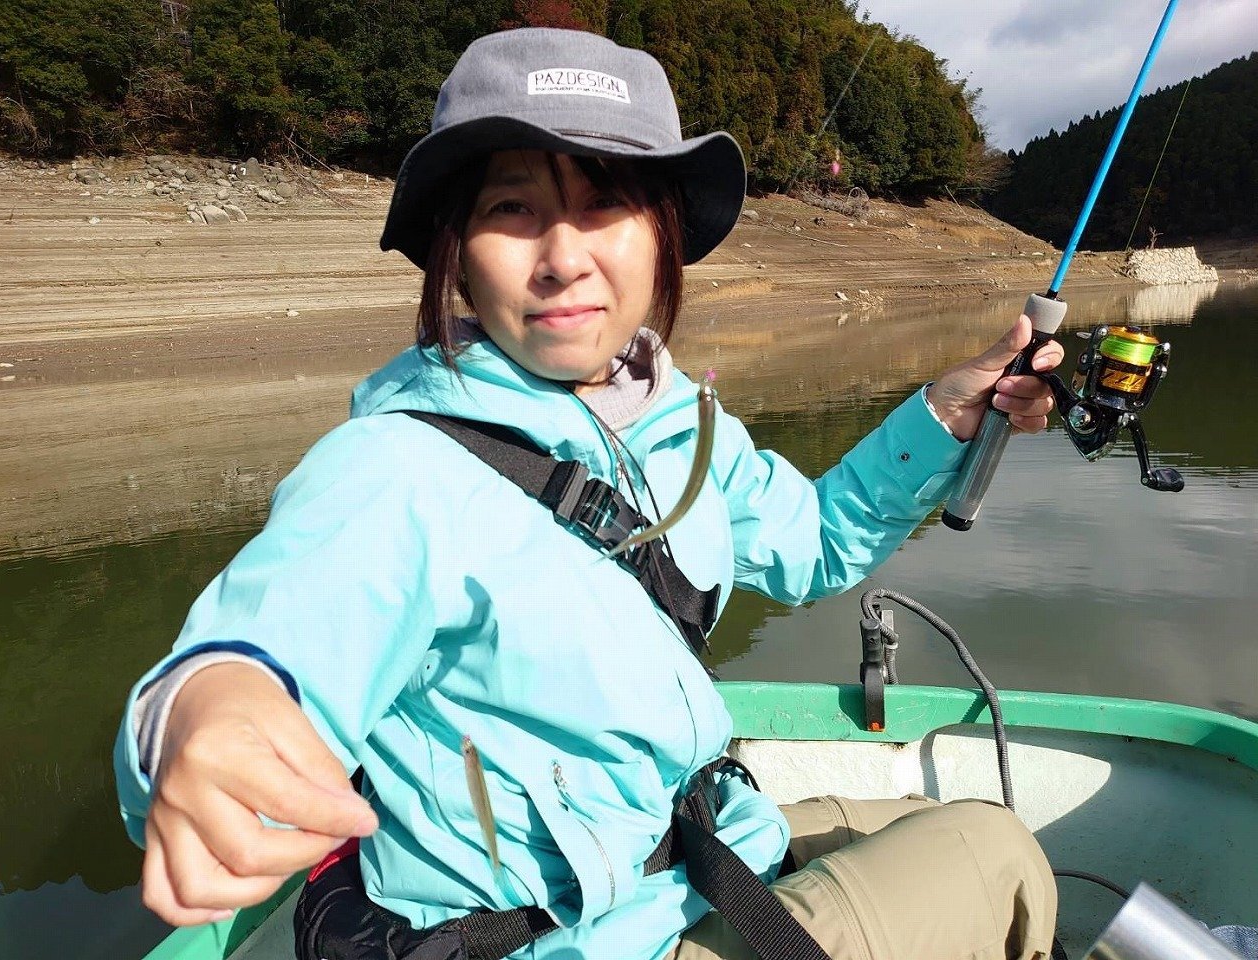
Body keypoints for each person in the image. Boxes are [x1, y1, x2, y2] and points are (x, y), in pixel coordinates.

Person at [114, 27, 1062, 960]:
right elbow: (253, 658)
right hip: (568, 941)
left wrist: (942, 413)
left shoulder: (672, 417)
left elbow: (811, 546)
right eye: (514, 209)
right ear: (458, 247)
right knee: (999, 853)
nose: (562, 256)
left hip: (687, 858)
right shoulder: (392, 471)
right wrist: (198, 720)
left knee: (935, 821)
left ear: (663, 236)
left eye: (605, 202)